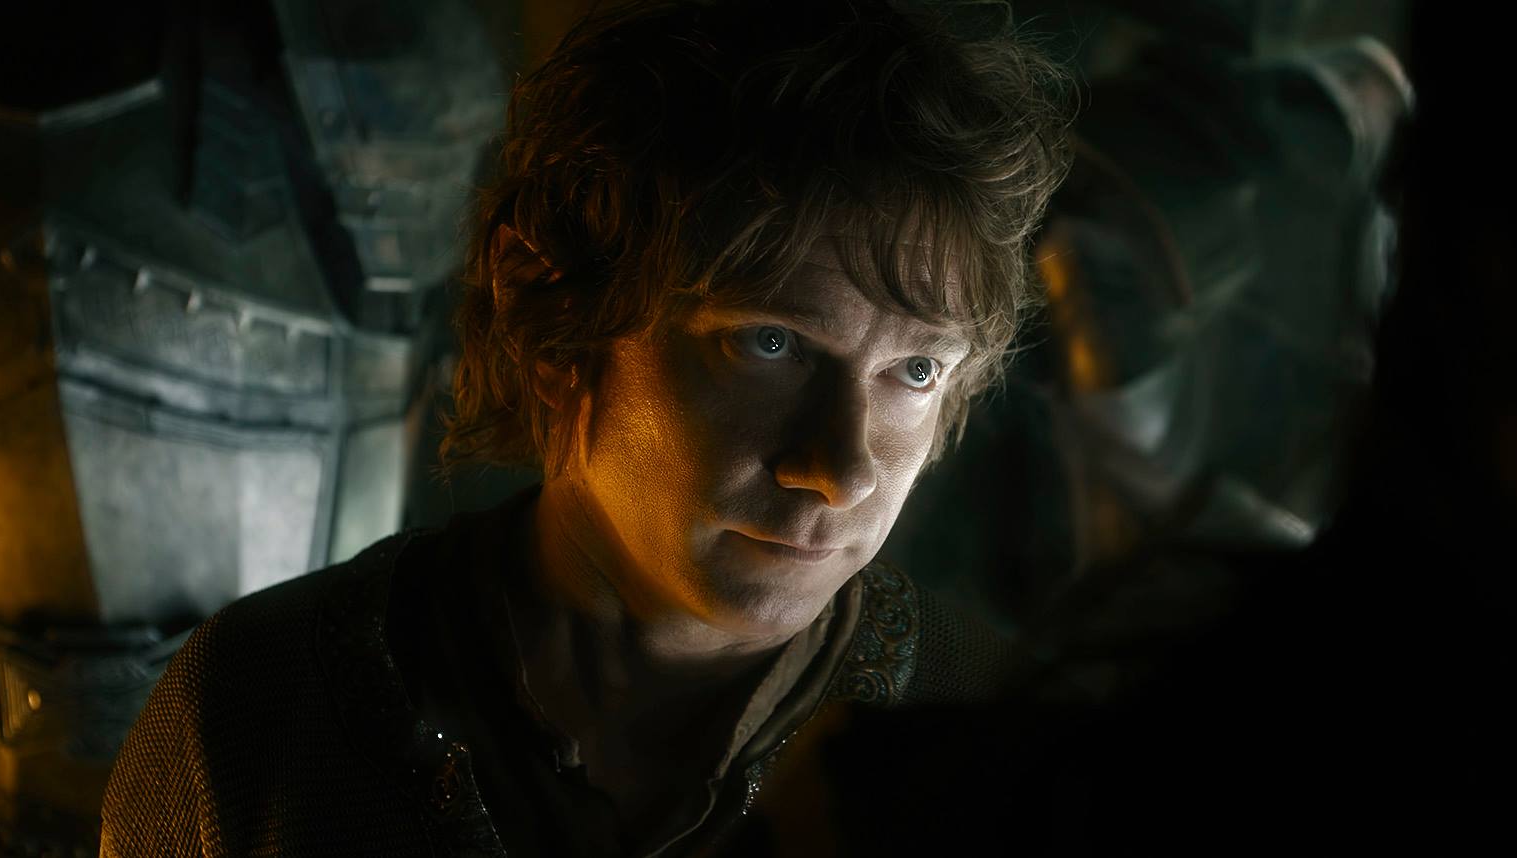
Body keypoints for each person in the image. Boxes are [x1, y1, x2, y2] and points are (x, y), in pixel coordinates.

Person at [98, 0, 1072, 854]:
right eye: (769, 343)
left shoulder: (1010, 739)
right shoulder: (262, 708)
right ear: (558, 320)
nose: (841, 468)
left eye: (914, 370)